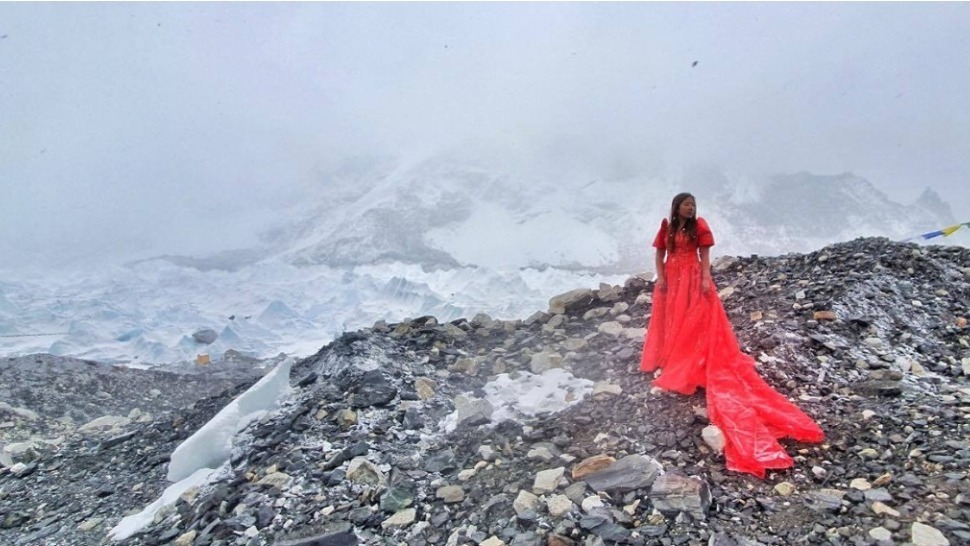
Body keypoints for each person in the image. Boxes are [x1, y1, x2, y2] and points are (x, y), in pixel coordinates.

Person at [640, 192, 824, 478]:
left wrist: (704, 278)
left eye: (694, 205)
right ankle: (672, 354)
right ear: (678, 206)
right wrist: (661, 277)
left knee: (694, 319)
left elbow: (704, 256)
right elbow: (659, 254)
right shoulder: (669, 227)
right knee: (673, 319)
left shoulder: (699, 226)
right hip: (673, 276)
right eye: (687, 205)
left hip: (691, 275)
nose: (692, 208)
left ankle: (691, 359)